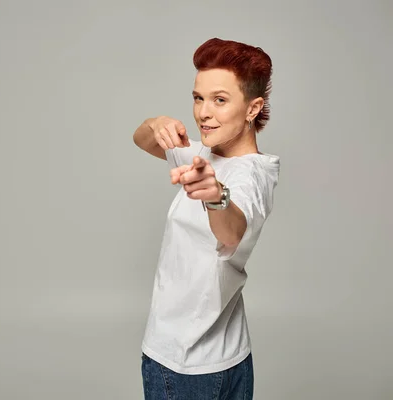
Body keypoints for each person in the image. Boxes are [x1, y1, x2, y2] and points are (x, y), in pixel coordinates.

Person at [133, 38, 280, 399]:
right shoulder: (202, 154)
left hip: (183, 366)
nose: (203, 113)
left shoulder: (251, 176)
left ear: (252, 108)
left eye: (220, 99)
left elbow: (232, 232)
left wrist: (216, 197)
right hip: (229, 357)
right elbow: (141, 139)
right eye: (198, 98)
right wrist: (157, 123)